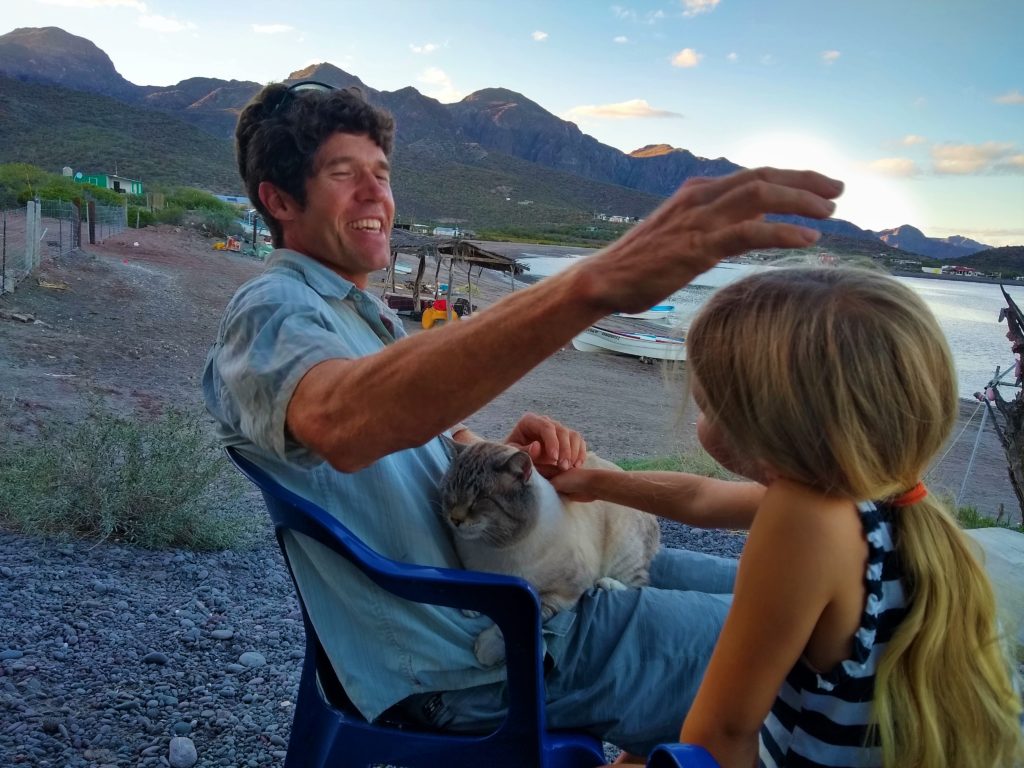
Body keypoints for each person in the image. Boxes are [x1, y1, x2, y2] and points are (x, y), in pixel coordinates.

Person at [202, 80, 843, 756]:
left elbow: (399, 445)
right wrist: (591, 285)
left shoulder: (359, 316)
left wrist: (501, 465)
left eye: (382, 175)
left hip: (530, 587)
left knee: (816, 595)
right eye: (343, 175)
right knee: (821, 644)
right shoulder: (270, 310)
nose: (376, 196)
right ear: (278, 200)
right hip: (494, 651)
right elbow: (342, 422)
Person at [552, 266, 1024, 767]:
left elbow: (723, 731)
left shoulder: (805, 521)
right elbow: (702, 499)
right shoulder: (877, 498)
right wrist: (597, 482)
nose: (700, 418)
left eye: (707, 406)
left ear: (766, 425)